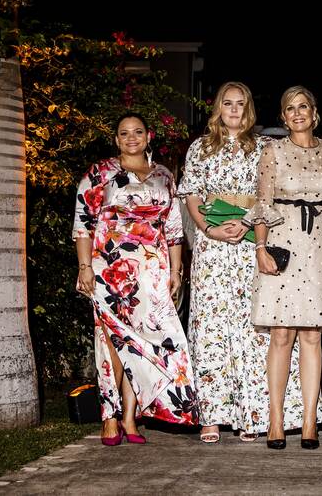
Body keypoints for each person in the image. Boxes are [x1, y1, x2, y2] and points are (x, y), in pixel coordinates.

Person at [179, 82, 316, 443]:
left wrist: (247, 224)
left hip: (251, 241)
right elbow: (191, 196)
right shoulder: (200, 148)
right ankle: (210, 416)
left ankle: (250, 414)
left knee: (253, 329)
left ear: (249, 108)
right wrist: (208, 227)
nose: (234, 109)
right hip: (212, 247)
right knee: (210, 327)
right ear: (218, 108)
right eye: (228, 103)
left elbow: (270, 195)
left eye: (241, 103)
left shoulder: (264, 147)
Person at [73, 113, 198, 445]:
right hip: (108, 270)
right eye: (124, 133)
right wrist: (84, 267)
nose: (131, 138)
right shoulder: (98, 173)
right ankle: (109, 417)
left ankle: (131, 418)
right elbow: (82, 225)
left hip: (151, 273)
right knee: (112, 341)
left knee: (146, 343)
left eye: (137, 132)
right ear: (116, 139)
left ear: (148, 136)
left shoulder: (164, 175)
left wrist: (175, 272)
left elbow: (173, 232)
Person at [248, 85, 322, 450]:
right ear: (283, 116)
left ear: (314, 112)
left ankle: (310, 420)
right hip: (284, 242)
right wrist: (261, 247)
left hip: (321, 247)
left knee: (313, 336)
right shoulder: (272, 150)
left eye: (303, 107)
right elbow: (263, 203)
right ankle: (276, 420)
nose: (297, 113)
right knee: (282, 335)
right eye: (290, 108)